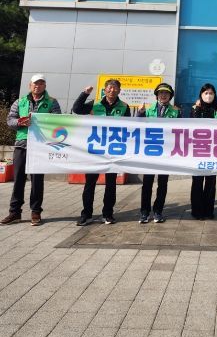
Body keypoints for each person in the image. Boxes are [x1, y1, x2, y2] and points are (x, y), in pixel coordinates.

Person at [1, 74, 61, 226]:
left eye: (41, 84)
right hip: (21, 145)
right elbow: (10, 120)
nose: (37, 86)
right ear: (30, 85)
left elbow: (58, 121)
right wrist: (20, 122)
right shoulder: (20, 101)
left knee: (37, 180)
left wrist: (41, 122)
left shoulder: (52, 102)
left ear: (44, 86)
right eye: (35, 83)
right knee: (18, 179)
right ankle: (15, 212)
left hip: (40, 146)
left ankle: (36, 211)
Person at [72, 79, 130, 225]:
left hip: (113, 150)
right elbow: (77, 109)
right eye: (109, 88)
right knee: (90, 183)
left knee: (111, 184)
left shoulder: (124, 107)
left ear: (119, 91)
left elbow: (129, 127)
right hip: (95, 149)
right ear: (105, 90)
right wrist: (85, 94)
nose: (112, 90)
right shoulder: (95, 104)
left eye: (115, 88)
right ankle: (86, 214)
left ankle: (108, 214)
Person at [137, 83, 180, 224]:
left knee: (162, 184)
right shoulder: (148, 110)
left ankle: (158, 211)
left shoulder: (176, 112)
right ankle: (144, 212)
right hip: (149, 152)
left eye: (166, 93)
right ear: (157, 95)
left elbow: (180, 131)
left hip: (166, 153)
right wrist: (140, 114)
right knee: (147, 183)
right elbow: (137, 127)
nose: (163, 95)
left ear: (170, 96)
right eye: (161, 93)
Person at [190, 83, 217, 220]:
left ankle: (208, 211)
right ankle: (197, 211)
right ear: (201, 95)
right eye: (206, 93)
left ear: (215, 95)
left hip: (214, 151)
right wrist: (197, 109)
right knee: (197, 182)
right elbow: (192, 125)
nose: (208, 96)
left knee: (211, 182)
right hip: (198, 150)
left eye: (211, 93)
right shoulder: (195, 108)